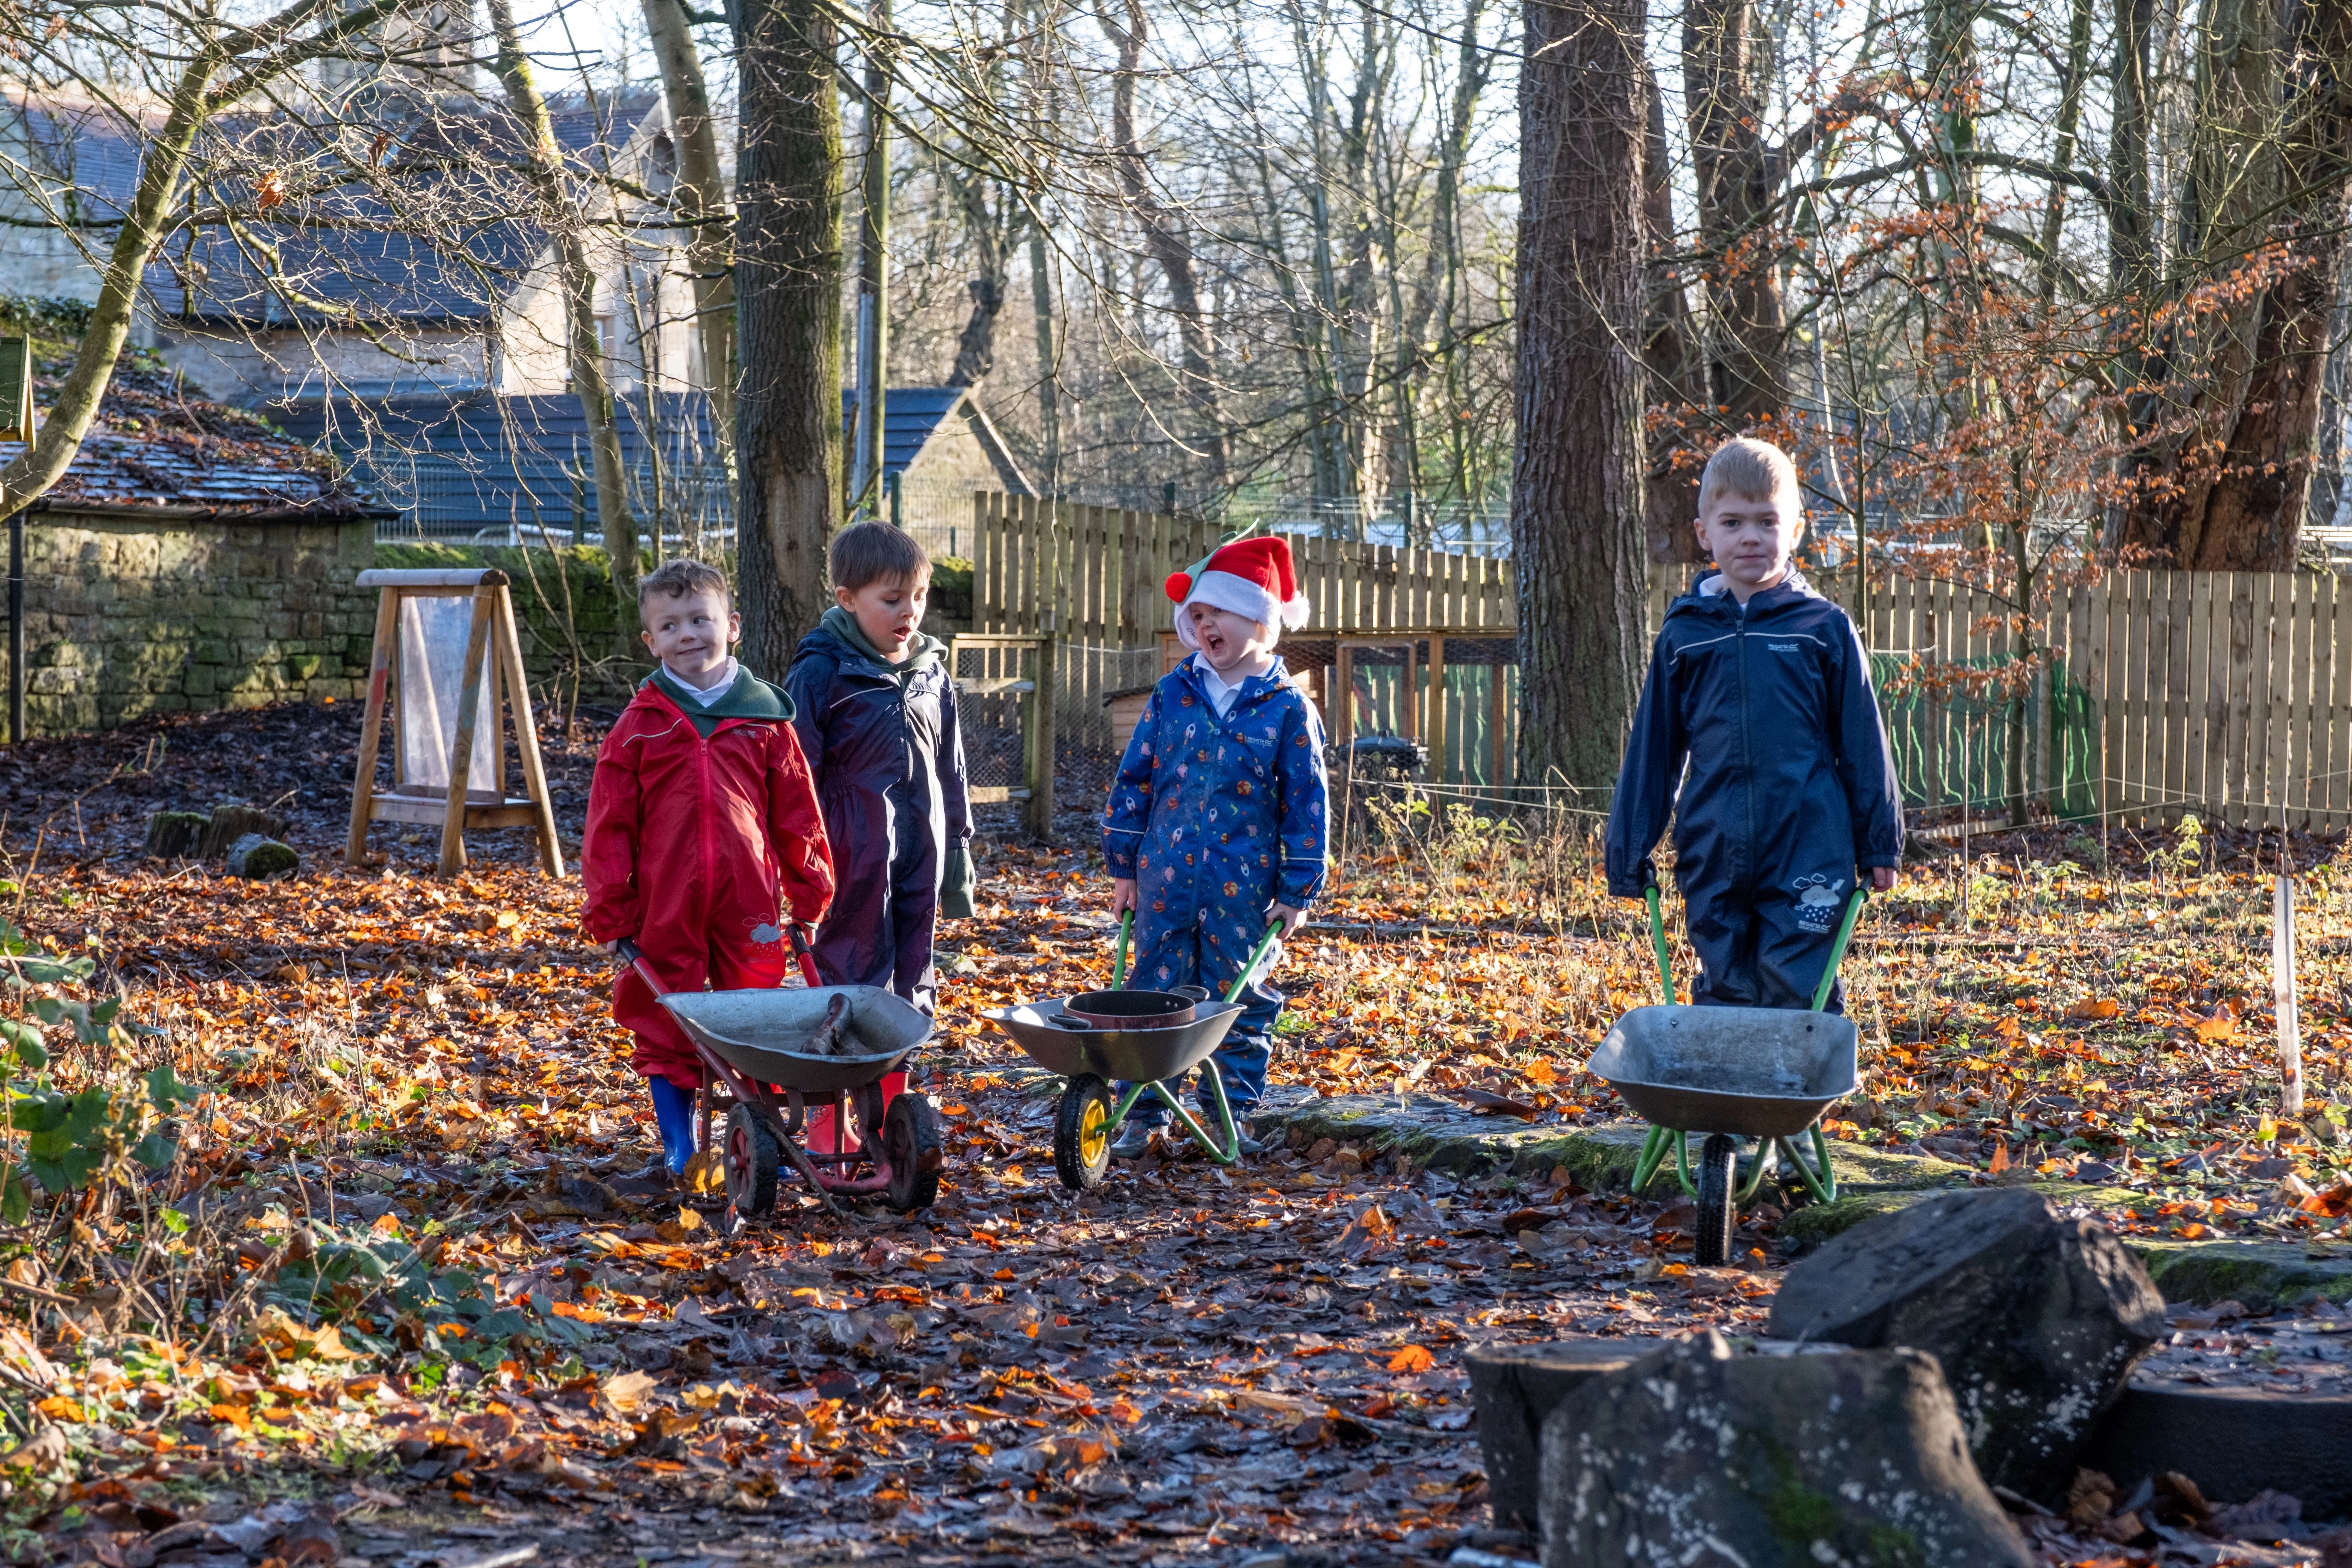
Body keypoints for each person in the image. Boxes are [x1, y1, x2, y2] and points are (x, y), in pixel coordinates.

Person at [1605, 436, 1902, 1013]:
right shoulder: (1686, 635)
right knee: (1725, 981)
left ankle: (1792, 1100)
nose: (1750, 537)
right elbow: (1655, 749)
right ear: (1704, 534)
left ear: (1795, 531)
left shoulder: (1823, 629)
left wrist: (1879, 840)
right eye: (1734, 522)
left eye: (1767, 522)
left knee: (1798, 981)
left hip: (1808, 841)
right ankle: (1728, 1100)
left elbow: (1863, 740)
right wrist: (1630, 846)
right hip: (1713, 842)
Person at [582, 558, 836, 1185]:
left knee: (753, 1013)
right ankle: (679, 1144)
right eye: (670, 626)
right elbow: (609, 823)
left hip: (747, 900)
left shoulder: (764, 719)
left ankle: (758, 1138)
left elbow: (797, 814)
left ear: (734, 626)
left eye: (701, 619)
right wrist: (612, 908)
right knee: (664, 1011)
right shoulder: (640, 726)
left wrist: (809, 891)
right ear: (650, 641)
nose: (688, 634)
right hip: (663, 902)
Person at [1102, 535, 1331, 1159]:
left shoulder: (1287, 710)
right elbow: (1136, 779)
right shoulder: (1173, 695)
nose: (1204, 626)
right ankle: (1143, 1113)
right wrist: (1123, 867)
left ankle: (1233, 1114)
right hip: (1166, 880)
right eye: (1196, 617)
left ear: (1259, 618)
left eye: (1217, 613)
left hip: (1247, 888)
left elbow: (1306, 803)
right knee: (1153, 995)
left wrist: (1298, 890)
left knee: (1240, 999)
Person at [786, 522, 974, 1017]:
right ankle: (845, 1083)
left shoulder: (932, 674)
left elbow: (950, 766)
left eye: (919, 596)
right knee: (855, 963)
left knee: (916, 967)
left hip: (925, 843)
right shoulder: (822, 673)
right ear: (848, 599)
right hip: (852, 848)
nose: (910, 611)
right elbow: (796, 775)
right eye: (892, 599)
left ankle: (898, 1088)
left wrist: (958, 847)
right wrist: (800, 862)